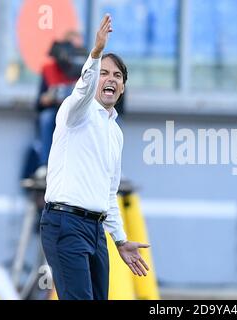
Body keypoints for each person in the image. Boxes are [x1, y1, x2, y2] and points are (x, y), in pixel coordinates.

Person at [40, 14, 150, 300]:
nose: (110, 79)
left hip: (96, 229)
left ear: (123, 87)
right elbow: (82, 90)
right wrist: (96, 53)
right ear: (92, 78)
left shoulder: (115, 132)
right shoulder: (76, 112)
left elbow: (109, 193)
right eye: (104, 72)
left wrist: (121, 240)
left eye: (117, 75)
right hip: (65, 223)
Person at [34, 30, 86, 180]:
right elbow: (38, 102)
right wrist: (49, 97)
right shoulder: (49, 69)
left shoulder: (88, 69)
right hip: (56, 113)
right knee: (46, 118)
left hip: (80, 114)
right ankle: (45, 165)